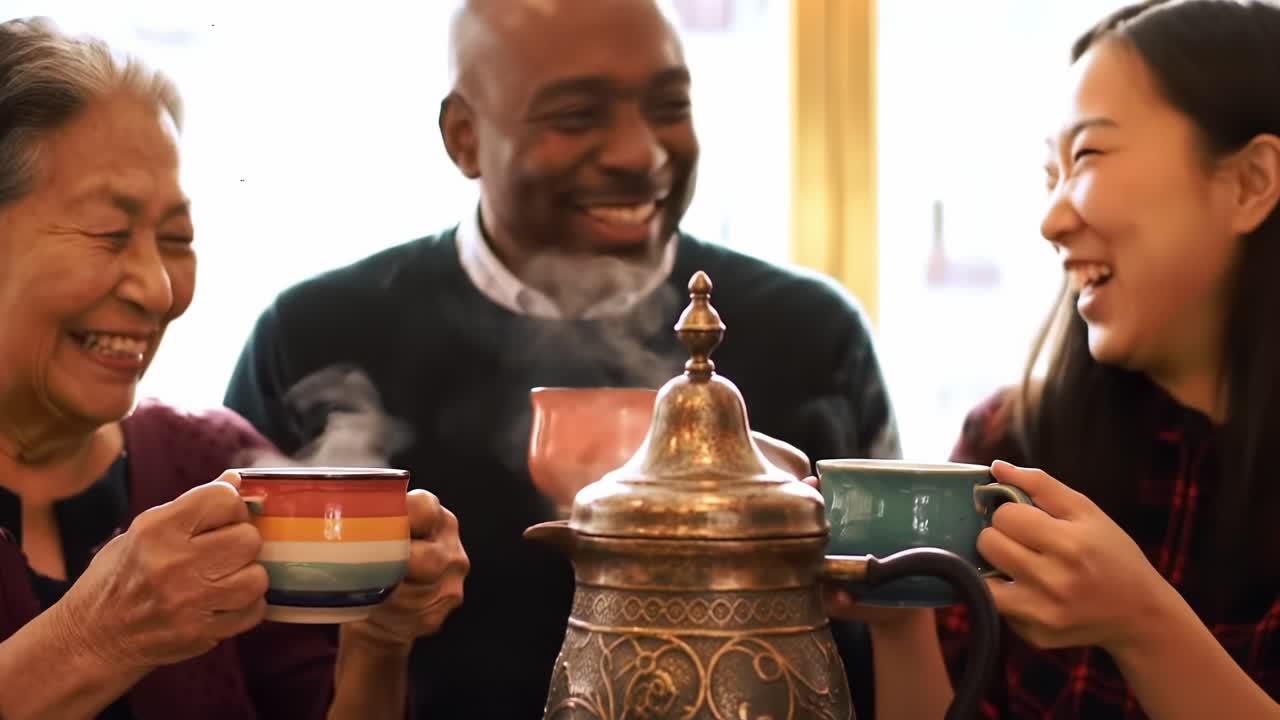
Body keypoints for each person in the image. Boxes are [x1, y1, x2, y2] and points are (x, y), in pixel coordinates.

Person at [223, 0, 901, 716]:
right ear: (465, 139)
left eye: (668, 105)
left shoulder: (811, 337)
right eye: (577, 116)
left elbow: (878, 652)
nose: (640, 154)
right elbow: (245, 669)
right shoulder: (316, 339)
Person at [0, 17, 469, 720]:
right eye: (109, 233)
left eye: (176, 240)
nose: (159, 289)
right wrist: (93, 637)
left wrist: (377, 639)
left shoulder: (211, 463)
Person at [839, 1, 1280, 718]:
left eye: (1089, 157)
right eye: (1051, 174)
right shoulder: (1007, 449)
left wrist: (1142, 623)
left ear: (1250, 182)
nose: (1051, 221)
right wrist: (900, 615)